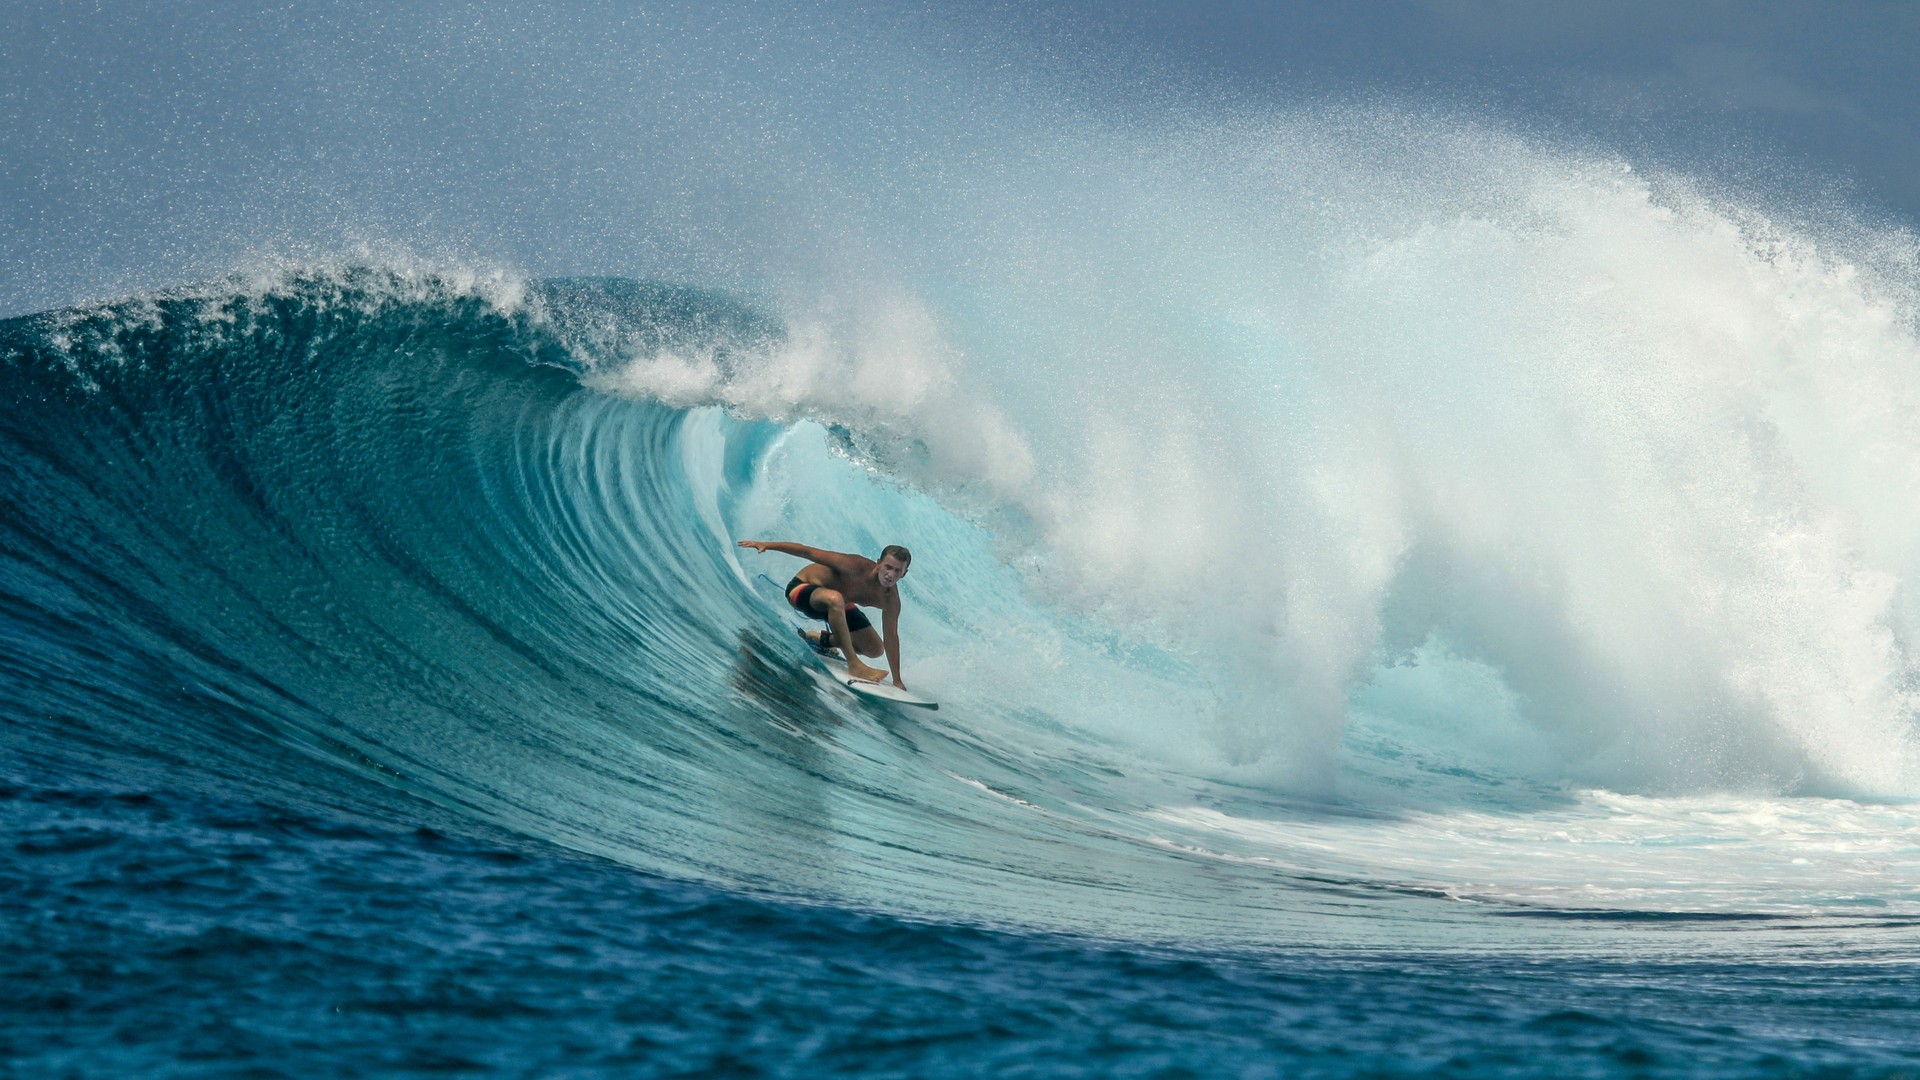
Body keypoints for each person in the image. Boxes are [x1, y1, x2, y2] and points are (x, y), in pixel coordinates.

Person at [737, 539, 910, 688]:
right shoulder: (854, 565)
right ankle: (854, 664)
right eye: (888, 567)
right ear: (878, 563)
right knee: (835, 598)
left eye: (898, 571)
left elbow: (891, 637)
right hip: (803, 591)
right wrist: (767, 545)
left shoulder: (891, 600)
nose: (890, 575)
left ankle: (821, 640)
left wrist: (897, 680)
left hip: (838, 606)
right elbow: (807, 552)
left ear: (904, 573)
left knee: (875, 649)